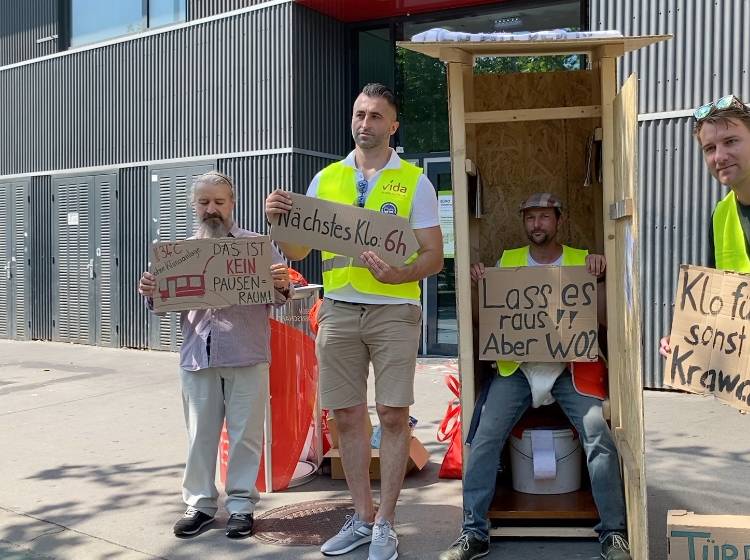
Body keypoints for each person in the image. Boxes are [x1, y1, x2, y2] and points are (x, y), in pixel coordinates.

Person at [265, 83, 443, 560]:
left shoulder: (415, 182)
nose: (366, 123)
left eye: (377, 116)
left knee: (391, 415)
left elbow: (434, 256)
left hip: (394, 312)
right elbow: (299, 249)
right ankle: (362, 517)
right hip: (340, 309)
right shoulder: (325, 180)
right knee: (345, 414)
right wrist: (278, 220)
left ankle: (386, 522)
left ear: (393, 124)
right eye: (360, 114)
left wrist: (401, 273)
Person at [439, 193, 632, 560]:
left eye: (544, 217)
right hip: (519, 369)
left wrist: (601, 276)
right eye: (530, 218)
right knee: (482, 439)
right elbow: (485, 320)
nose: (536, 225)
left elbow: (607, 317)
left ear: (558, 220)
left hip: (568, 369)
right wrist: (480, 284)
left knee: (598, 436)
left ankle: (613, 533)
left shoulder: (581, 261)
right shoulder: (508, 262)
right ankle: (473, 532)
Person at [138, 171, 292, 539]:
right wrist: (151, 290)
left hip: (246, 353)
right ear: (195, 206)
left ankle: (241, 507)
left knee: (245, 436)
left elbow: (278, 296)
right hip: (197, 356)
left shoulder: (257, 246)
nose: (212, 209)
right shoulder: (178, 254)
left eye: (219, 202)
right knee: (199, 436)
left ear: (232, 204)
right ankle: (200, 505)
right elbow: (162, 304)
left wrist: (282, 285)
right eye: (204, 202)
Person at [660, 95, 750, 358]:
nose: (719, 156)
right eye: (709, 148)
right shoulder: (721, 215)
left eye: (731, 141)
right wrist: (686, 337)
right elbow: (720, 304)